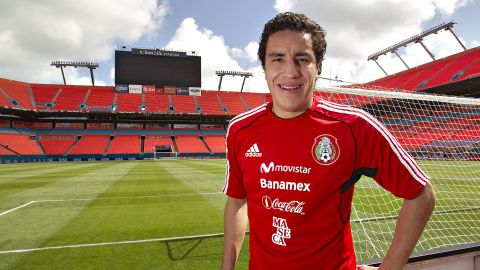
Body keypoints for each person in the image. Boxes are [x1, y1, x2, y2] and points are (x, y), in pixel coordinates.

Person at [221, 12, 435, 270]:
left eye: (303, 59)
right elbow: (236, 200)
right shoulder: (240, 129)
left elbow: (421, 194)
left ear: (318, 67)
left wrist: (390, 267)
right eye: (278, 59)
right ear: (264, 67)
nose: (291, 71)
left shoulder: (355, 127)